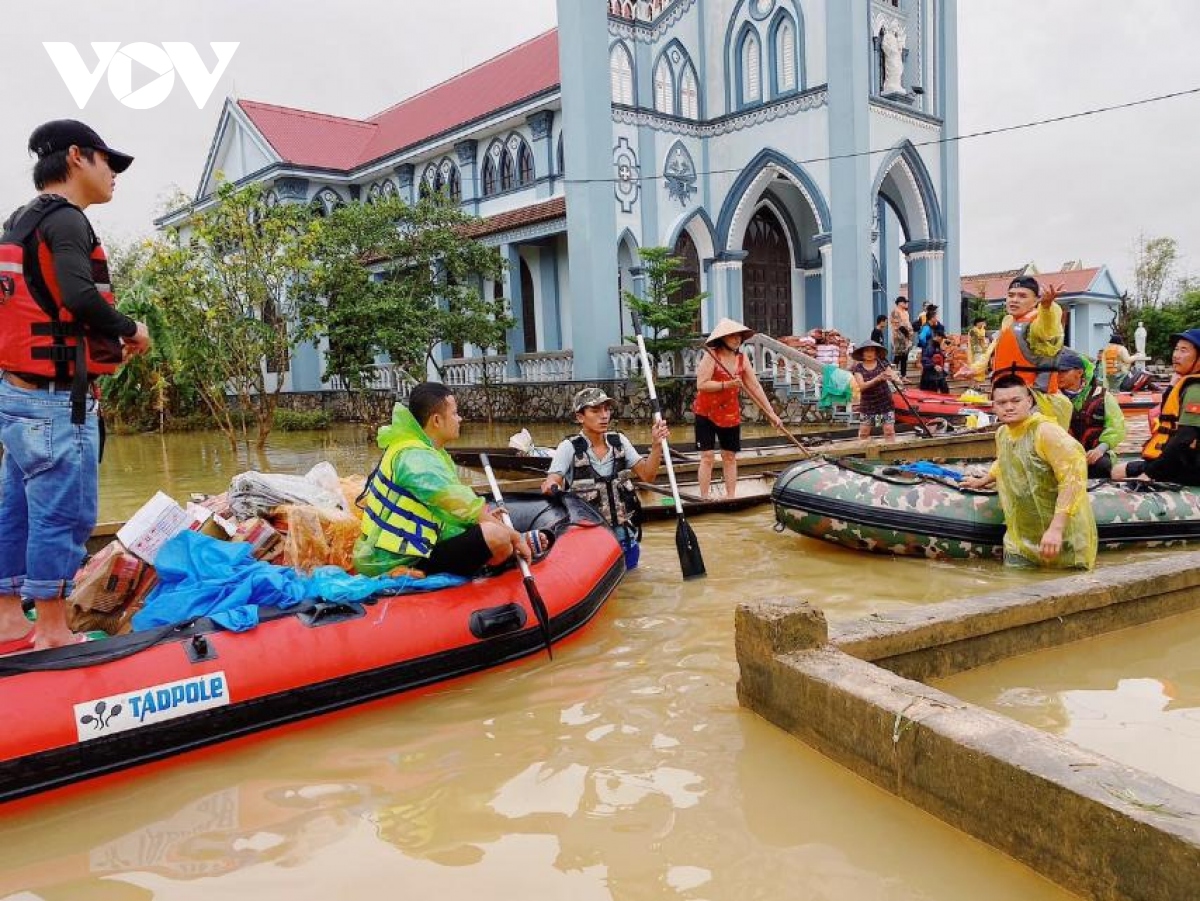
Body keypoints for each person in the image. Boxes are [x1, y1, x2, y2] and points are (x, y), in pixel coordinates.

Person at [0, 120, 151, 655]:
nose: (115, 175)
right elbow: (80, 296)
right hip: (55, 401)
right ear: (76, 157)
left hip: (17, 395)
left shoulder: (20, 220)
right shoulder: (67, 221)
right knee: (64, 513)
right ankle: (52, 630)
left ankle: (10, 621)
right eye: (109, 163)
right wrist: (132, 330)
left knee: (16, 505)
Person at [353, 383, 548, 579]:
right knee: (498, 537)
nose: (460, 419)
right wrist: (515, 536)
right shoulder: (416, 459)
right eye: (455, 414)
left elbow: (446, 509)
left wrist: (481, 520)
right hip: (397, 559)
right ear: (437, 420)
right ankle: (415, 574)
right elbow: (465, 507)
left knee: (490, 526)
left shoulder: (420, 448)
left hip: (400, 550)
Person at [961, 374, 1097, 570]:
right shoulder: (1003, 434)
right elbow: (1005, 461)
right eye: (1002, 402)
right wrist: (984, 480)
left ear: (1029, 401)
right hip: (1021, 539)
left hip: (1062, 535)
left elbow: (1073, 478)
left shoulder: (1046, 432)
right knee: (1015, 588)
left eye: (1016, 401)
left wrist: (1056, 529)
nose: (1009, 407)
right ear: (994, 407)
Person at [540, 387, 669, 568]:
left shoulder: (619, 441)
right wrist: (551, 484)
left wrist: (656, 445)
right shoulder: (568, 448)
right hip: (590, 542)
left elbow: (647, 476)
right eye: (595, 410)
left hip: (626, 537)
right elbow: (553, 479)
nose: (604, 415)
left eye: (606, 409)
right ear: (580, 417)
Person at [692, 318, 783, 500]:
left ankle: (730, 496)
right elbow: (701, 384)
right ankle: (703, 497)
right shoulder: (712, 355)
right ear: (723, 338)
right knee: (708, 456)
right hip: (706, 412)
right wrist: (727, 384)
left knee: (729, 456)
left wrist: (771, 414)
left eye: (738, 336)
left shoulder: (741, 359)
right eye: (732, 336)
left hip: (730, 413)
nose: (736, 339)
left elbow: (755, 387)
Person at [1112, 329, 1200, 485]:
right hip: (1183, 460)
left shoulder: (1195, 391)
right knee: (1118, 471)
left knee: (1117, 472)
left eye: (1184, 350)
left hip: (1190, 467)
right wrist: (1172, 386)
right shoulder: (1185, 384)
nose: (1176, 355)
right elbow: (1168, 411)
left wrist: (1151, 473)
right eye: (1176, 349)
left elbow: (1184, 439)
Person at [959, 276, 1064, 391]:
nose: (1014, 300)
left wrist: (1046, 306)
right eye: (1011, 295)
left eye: (1022, 296)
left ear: (1036, 301)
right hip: (1005, 393)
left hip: (1031, 398)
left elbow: (1048, 329)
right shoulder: (1009, 322)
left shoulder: (1037, 322)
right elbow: (990, 351)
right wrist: (974, 369)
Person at [1054, 348, 1125, 479]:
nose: (1058, 376)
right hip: (1065, 453)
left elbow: (1116, 428)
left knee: (1102, 465)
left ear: (1079, 372)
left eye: (1063, 371)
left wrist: (1100, 450)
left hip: (1095, 453)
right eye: (1056, 372)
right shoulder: (1053, 398)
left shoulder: (1103, 396)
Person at [848, 339, 903, 441]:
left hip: (885, 403)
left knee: (889, 431)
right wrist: (878, 379)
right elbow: (862, 386)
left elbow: (894, 376)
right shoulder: (858, 368)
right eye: (866, 351)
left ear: (876, 353)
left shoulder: (883, 364)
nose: (869, 353)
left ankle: (890, 454)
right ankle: (865, 454)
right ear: (862, 353)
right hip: (867, 405)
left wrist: (896, 379)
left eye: (872, 350)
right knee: (864, 433)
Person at [889, 297, 914, 378]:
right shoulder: (895, 311)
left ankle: (904, 375)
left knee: (905, 357)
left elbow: (908, 324)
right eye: (904, 302)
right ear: (899, 303)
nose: (906, 303)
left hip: (907, 338)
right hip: (899, 337)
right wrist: (906, 332)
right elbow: (897, 325)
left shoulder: (906, 312)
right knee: (898, 356)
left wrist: (909, 334)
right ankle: (892, 374)